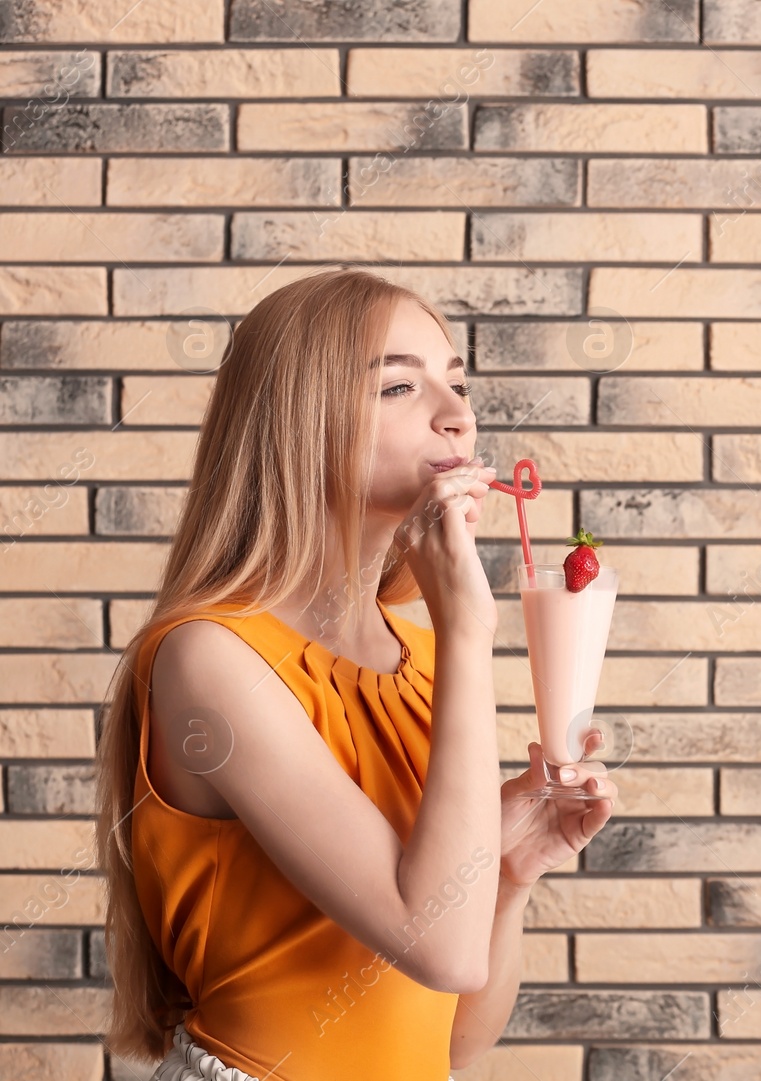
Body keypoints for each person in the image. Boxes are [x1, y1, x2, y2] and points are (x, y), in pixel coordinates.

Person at [93, 267, 614, 1080]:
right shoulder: (211, 659)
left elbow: (451, 1039)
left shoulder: (431, 652)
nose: (459, 416)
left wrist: (508, 874)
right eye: (400, 386)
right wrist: (472, 630)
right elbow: (437, 944)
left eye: (458, 382)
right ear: (299, 426)